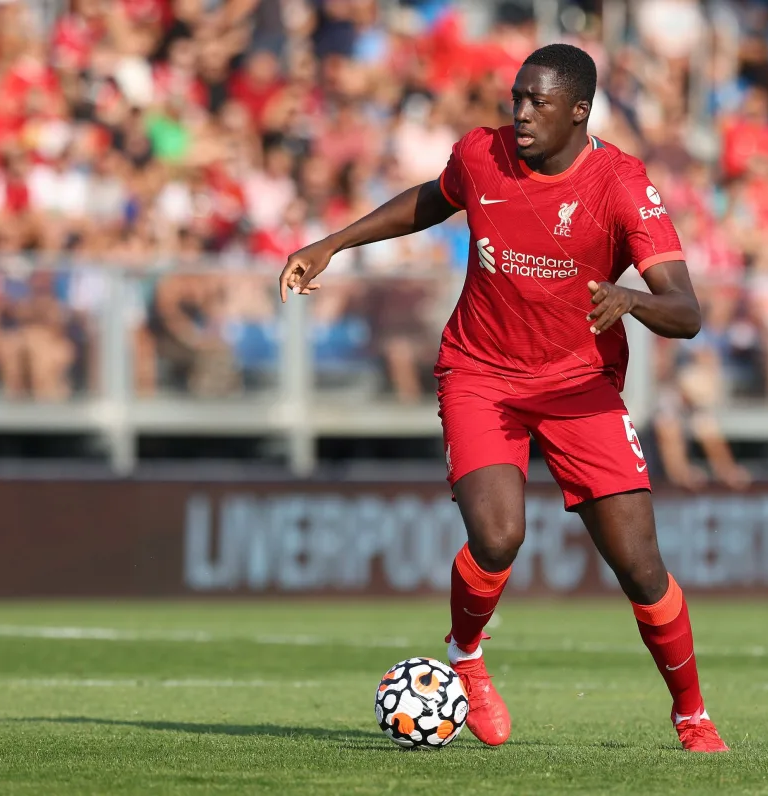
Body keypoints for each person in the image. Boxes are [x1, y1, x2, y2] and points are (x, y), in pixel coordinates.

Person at [279, 44, 728, 753]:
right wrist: (334, 243)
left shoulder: (621, 184)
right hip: (481, 373)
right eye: (516, 98)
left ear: (579, 112)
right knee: (497, 535)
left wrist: (631, 299)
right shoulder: (482, 155)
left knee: (641, 567)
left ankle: (693, 716)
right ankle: (466, 656)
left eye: (537, 102)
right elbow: (433, 197)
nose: (519, 113)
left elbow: (688, 311)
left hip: (580, 388)